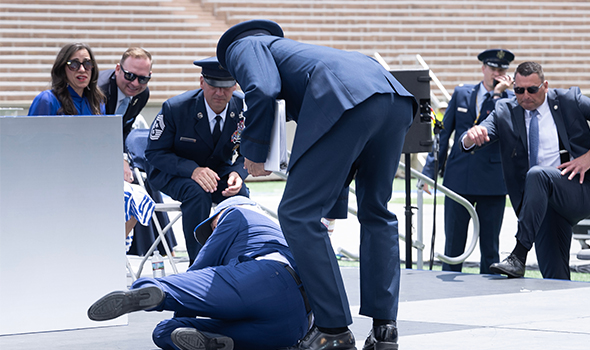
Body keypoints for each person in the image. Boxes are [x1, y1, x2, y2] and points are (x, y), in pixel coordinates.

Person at [217, 19, 417, 350]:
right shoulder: (298, 53)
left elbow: (262, 90)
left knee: (297, 213)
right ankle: (385, 328)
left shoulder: (244, 46)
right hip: (394, 97)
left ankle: (332, 328)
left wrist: (252, 152)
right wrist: (332, 206)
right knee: (376, 212)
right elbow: (338, 153)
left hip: (346, 100)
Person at [462, 61, 590, 280]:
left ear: (545, 86)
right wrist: (471, 136)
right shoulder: (505, 110)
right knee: (554, 276)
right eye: (518, 90)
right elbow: (478, 133)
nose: (525, 95)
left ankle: (518, 255)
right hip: (540, 204)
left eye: (532, 89)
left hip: (579, 190)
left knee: (538, 174)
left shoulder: (568, 101)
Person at [88, 196, 310, 350]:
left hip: (264, 278)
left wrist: (180, 303)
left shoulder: (237, 213)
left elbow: (200, 269)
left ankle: (151, 290)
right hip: (295, 325)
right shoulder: (283, 232)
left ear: (220, 216)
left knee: (170, 290)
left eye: (212, 226)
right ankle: (220, 343)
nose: (213, 231)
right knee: (165, 332)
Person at [145, 57, 249, 265]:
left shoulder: (243, 108)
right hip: (173, 171)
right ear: (202, 82)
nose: (219, 93)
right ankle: (200, 263)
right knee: (197, 193)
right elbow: (155, 153)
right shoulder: (175, 108)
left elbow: (249, 151)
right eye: (213, 85)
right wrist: (192, 170)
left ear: (235, 85)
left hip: (216, 169)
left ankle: (237, 258)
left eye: (226, 86)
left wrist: (238, 173)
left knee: (241, 193)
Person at [421, 49, 514, 274]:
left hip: (492, 181)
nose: (497, 74)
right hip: (459, 178)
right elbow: (444, 135)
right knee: (453, 243)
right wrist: (430, 171)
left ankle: (487, 292)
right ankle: (447, 291)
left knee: (490, 247)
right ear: (483, 69)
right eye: (493, 69)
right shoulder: (462, 93)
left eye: (502, 70)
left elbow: (489, 128)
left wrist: (497, 96)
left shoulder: (511, 100)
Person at [98, 47, 153, 183]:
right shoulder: (99, 90)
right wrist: (120, 159)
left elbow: (124, 128)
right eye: (130, 75)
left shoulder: (142, 94)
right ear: (118, 69)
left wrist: (123, 158)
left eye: (143, 79)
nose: (135, 83)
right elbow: (97, 133)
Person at [28, 42, 104, 116]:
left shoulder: (97, 103)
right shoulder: (47, 100)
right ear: (62, 69)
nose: (82, 69)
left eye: (87, 63)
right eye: (74, 64)